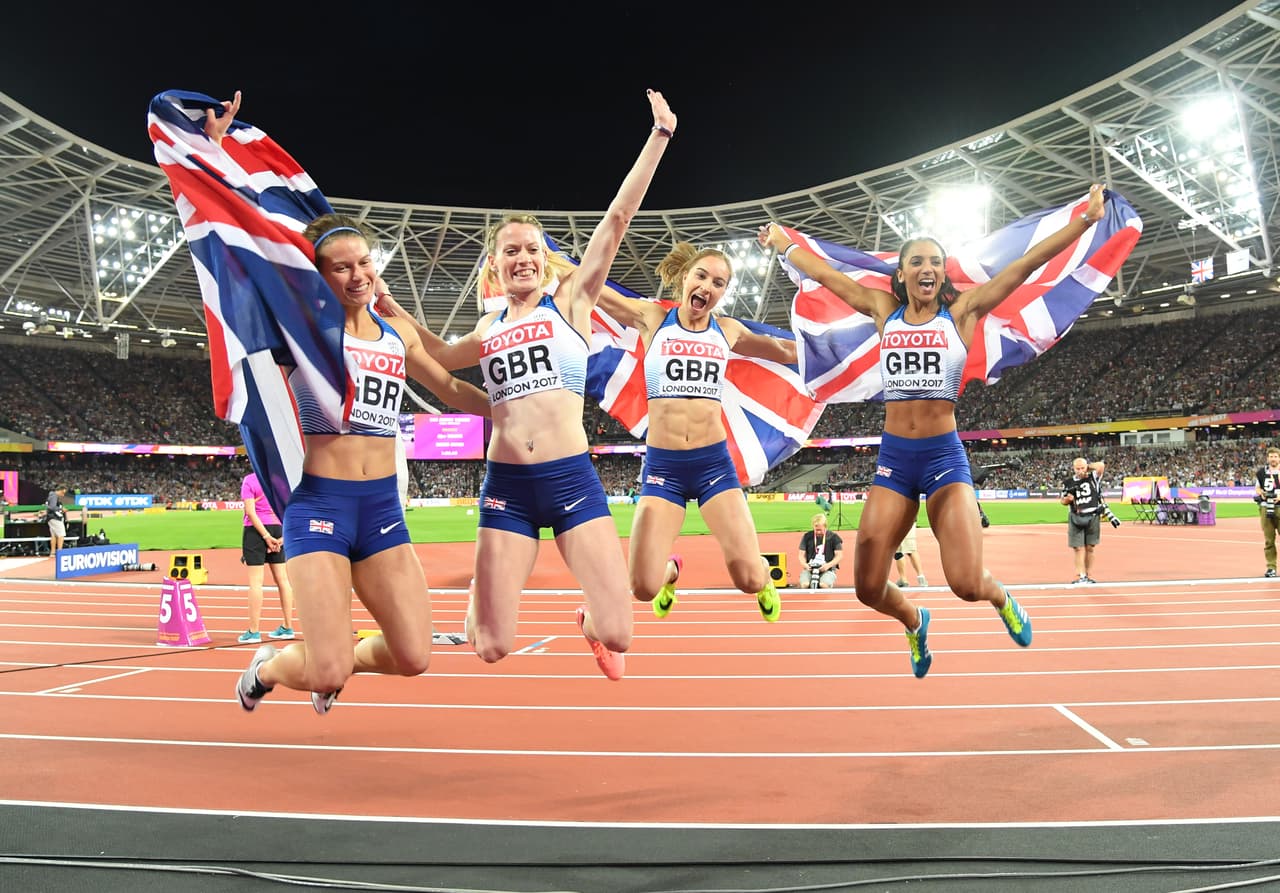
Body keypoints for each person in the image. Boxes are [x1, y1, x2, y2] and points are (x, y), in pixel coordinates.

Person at [204, 95, 494, 715]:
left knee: (414, 655)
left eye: (364, 261)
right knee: (321, 666)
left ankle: (341, 656)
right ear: (319, 277)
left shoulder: (396, 333)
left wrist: (507, 412)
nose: (358, 274)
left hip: (382, 508)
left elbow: (448, 389)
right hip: (319, 505)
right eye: (341, 268)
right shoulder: (304, 338)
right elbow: (236, 251)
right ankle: (268, 668)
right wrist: (214, 151)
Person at [374, 89, 677, 680]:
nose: (522, 259)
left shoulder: (572, 302)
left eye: (532, 250)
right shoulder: (488, 326)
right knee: (490, 646)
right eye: (510, 251)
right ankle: (482, 608)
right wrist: (394, 310)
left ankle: (589, 619)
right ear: (495, 265)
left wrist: (659, 136)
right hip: (508, 486)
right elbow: (436, 353)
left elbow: (617, 220)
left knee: (619, 633)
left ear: (546, 259)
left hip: (571, 479)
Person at [757, 183, 1108, 677]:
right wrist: (784, 246)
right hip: (895, 461)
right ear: (901, 274)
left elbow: (1024, 266)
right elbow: (830, 277)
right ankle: (914, 620)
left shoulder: (960, 313)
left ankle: (1001, 596)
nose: (927, 268)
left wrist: (1085, 222)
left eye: (935, 262)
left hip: (944, 456)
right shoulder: (883, 312)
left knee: (966, 582)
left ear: (942, 273)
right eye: (917, 262)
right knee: (868, 586)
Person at [590, 241, 794, 620]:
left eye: (719, 282)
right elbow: (593, 290)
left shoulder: (727, 330)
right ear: (686, 278)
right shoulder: (653, 318)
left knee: (748, 579)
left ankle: (763, 579)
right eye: (701, 276)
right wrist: (546, 261)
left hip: (713, 466)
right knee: (643, 587)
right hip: (664, 468)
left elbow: (781, 350)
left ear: (723, 292)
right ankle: (672, 572)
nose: (707, 287)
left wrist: (833, 351)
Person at [237, 470, 296, 644]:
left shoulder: (250, 480)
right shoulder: (281, 480)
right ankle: (287, 627)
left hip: (256, 531)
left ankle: (253, 631)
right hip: (278, 528)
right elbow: (290, 510)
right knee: (283, 581)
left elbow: (250, 511)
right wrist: (282, 537)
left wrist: (265, 536)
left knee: (256, 583)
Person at [1061, 456, 1107, 584]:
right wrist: (1067, 500)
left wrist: (1088, 467)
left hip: (1092, 515)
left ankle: (1088, 574)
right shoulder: (1068, 482)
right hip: (1076, 516)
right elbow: (1062, 500)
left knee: (1090, 547)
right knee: (1078, 548)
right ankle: (1081, 576)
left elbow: (1101, 466)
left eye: (1082, 468)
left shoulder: (1093, 477)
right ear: (1073, 469)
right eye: (1077, 468)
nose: (1080, 470)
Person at [797, 512, 842, 589]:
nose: (818, 532)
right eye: (816, 529)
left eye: (820, 530)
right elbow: (801, 554)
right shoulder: (807, 536)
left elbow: (839, 555)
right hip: (810, 568)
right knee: (805, 585)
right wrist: (805, 565)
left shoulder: (834, 537)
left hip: (827, 569)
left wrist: (828, 565)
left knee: (823, 585)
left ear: (825, 526)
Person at [1254, 446, 1280, 578]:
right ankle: (1271, 567)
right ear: (1267, 458)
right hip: (1265, 506)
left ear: (1279, 458)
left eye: (1275, 456)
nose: (1273, 459)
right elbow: (1257, 488)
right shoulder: (1261, 472)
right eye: (1271, 456)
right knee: (1269, 540)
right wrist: (1262, 493)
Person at [894, 521, 927, 588]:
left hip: (898, 522)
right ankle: (921, 577)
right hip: (911, 521)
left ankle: (903, 580)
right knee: (911, 550)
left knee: (898, 552)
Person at [44, 485, 68, 555]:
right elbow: (52, 507)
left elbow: (49, 506)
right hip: (55, 517)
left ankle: (53, 552)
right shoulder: (54, 496)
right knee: (61, 534)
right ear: (60, 490)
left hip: (51, 518)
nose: (63, 495)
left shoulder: (51, 495)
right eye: (63, 493)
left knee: (54, 535)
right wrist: (61, 509)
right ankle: (60, 552)